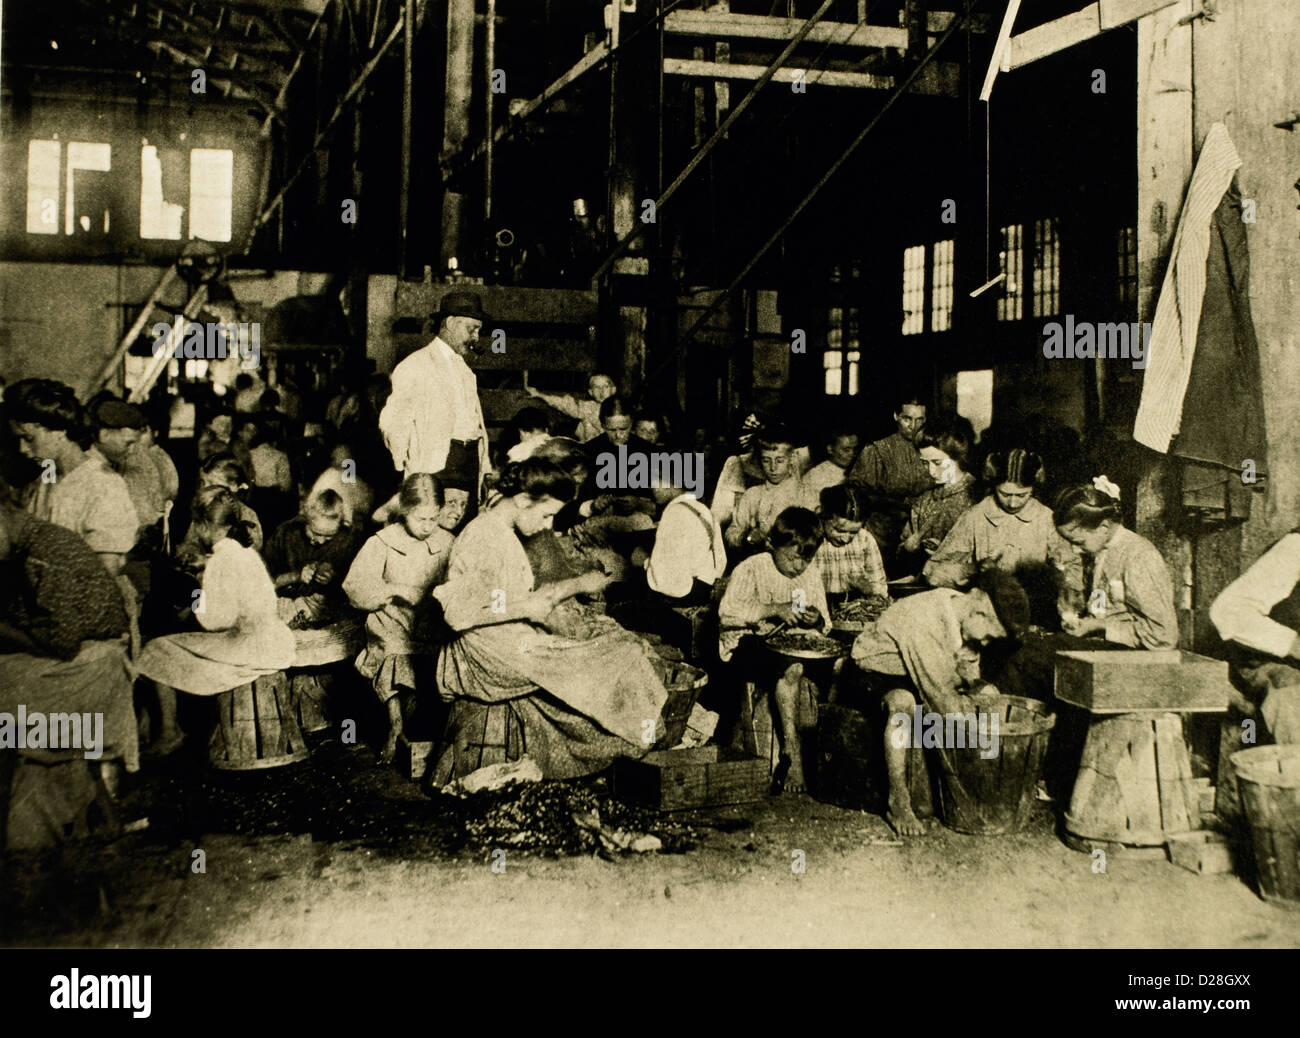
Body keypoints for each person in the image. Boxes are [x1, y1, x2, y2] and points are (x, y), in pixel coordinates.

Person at [432, 459, 668, 780]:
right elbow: (458, 611)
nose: (547, 524)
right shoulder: (483, 537)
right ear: (523, 500)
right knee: (616, 656)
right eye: (545, 514)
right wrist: (548, 597)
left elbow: (498, 599)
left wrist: (545, 602)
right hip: (485, 651)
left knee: (609, 645)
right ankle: (637, 738)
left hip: (504, 639)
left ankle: (630, 738)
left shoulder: (500, 531)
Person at [0, 486, 138, 848]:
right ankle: (86, 812)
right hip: (85, 662)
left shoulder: (45, 551)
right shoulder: (30, 547)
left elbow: (60, 642)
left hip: (92, 669)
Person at [851, 573, 1029, 836]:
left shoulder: (964, 615)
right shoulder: (924, 618)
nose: (986, 643)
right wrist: (978, 723)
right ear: (980, 612)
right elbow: (942, 701)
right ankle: (897, 800)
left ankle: (986, 783)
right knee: (903, 705)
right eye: (990, 636)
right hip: (874, 671)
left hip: (920, 673)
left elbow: (966, 669)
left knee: (989, 693)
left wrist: (983, 694)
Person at [136, 488, 296, 754]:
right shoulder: (245, 553)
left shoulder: (220, 560)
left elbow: (213, 622)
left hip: (248, 649)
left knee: (155, 649)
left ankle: (169, 731)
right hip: (274, 642)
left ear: (202, 525)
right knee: (176, 645)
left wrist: (199, 589)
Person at [992, 478, 1179, 704]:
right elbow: (1104, 607)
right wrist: (1081, 620)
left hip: (1137, 659)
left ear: (1103, 527)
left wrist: (1100, 626)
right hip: (1107, 648)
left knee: (1030, 660)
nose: (1074, 548)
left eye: (1078, 541)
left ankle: (996, 721)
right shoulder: (1101, 551)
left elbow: (1164, 637)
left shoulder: (1138, 557)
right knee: (1026, 644)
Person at [343, 474, 455, 762]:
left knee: (438, 657)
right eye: (420, 519)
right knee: (394, 649)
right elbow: (353, 588)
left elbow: (462, 586)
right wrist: (395, 590)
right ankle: (395, 725)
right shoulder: (383, 541)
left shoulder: (448, 542)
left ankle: (420, 728)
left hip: (430, 623)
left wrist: (437, 599)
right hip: (391, 620)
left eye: (433, 518)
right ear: (405, 511)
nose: (428, 527)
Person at [719, 507, 831, 793]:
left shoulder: (811, 574)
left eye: (806, 560)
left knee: (833, 665)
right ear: (772, 544)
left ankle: (825, 756)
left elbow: (825, 623)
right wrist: (773, 610)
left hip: (792, 644)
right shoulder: (752, 567)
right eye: (793, 558)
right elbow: (727, 614)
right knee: (790, 667)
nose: (798, 567)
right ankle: (791, 751)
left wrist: (815, 619)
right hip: (744, 643)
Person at [923, 449, 1080, 621]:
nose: (1013, 503)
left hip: (1034, 613)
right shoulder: (976, 516)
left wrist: (1066, 588)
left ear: (1034, 488)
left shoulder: (1046, 518)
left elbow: (1072, 568)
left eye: (1022, 495)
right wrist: (971, 569)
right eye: (1004, 494)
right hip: (985, 613)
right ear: (993, 486)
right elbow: (933, 572)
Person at [7, 379, 138, 575]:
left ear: (59, 430)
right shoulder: (48, 474)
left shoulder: (103, 485)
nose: (22, 449)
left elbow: (104, 573)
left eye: (29, 438)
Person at [378, 291, 491, 501]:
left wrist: (484, 466)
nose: (476, 337)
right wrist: (407, 462)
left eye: (478, 331)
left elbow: (475, 422)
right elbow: (393, 422)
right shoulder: (415, 364)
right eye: (471, 329)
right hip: (438, 463)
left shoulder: (465, 370)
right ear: (450, 323)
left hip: (469, 461)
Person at [1210, 527, 1300, 744]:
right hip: (1274, 664)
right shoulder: (1295, 548)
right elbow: (1228, 612)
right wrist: (1293, 645)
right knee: (1291, 696)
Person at [263, 489, 365, 630]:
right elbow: (263, 582)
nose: (321, 541)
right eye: (316, 533)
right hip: (284, 606)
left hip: (326, 615)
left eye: (329, 536)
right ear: (306, 520)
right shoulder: (285, 533)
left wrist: (333, 577)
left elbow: (357, 586)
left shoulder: (347, 539)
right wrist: (296, 576)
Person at [898, 412, 977, 568]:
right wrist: (909, 548)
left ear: (958, 456)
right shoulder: (924, 499)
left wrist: (943, 553)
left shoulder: (976, 497)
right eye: (925, 463)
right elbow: (902, 552)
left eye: (937, 462)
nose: (931, 471)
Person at [724, 422, 816, 551]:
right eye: (766, 460)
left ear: (792, 458)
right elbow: (732, 533)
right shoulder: (753, 494)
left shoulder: (806, 494)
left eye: (779, 460)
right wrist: (747, 538)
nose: (773, 468)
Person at [641, 475, 727, 606]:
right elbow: (720, 559)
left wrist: (645, 562)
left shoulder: (675, 512)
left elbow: (666, 577)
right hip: (706, 586)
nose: (650, 487)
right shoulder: (701, 508)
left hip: (686, 592)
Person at [814, 484, 889, 601]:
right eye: (839, 530)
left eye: (853, 532)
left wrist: (871, 589)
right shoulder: (811, 538)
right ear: (824, 517)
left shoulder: (865, 540)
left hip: (854, 610)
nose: (845, 539)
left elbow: (881, 589)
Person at [847, 395, 930, 498]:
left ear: (925, 419)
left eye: (919, 420)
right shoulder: (876, 451)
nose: (913, 426)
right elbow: (856, 494)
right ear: (896, 416)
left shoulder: (933, 450)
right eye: (907, 419)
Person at [524, 371, 616, 443]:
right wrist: (540, 395)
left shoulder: (622, 407)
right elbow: (564, 404)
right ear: (590, 392)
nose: (602, 391)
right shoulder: (587, 407)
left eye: (606, 386)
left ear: (613, 389)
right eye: (597, 387)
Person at [309, 442, 375, 527]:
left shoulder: (354, 479)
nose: (342, 457)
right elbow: (312, 502)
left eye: (345, 455)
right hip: (327, 521)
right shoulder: (329, 475)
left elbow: (366, 504)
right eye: (338, 454)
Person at [804, 424, 860, 501]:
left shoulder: (860, 469)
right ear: (830, 449)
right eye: (846, 450)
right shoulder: (815, 477)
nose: (852, 454)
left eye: (855, 449)